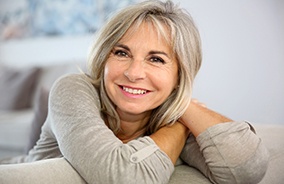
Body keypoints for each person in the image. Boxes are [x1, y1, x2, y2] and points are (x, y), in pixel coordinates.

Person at [0, 0, 269, 183]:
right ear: (104, 58)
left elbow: (248, 169)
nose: (134, 72)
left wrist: (183, 105)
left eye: (156, 59)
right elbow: (124, 177)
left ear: (180, 75)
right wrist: (177, 127)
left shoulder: (166, 110)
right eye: (121, 53)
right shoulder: (73, 88)